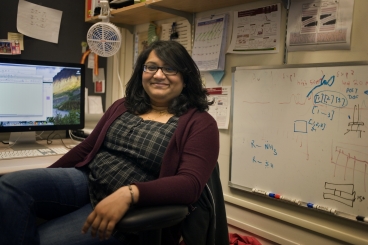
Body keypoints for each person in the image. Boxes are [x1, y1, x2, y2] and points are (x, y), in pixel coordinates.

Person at [0, 40, 228, 245]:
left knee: (42, 239)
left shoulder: (200, 123)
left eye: (170, 68)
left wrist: (129, 193)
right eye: (151, 67)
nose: (159, 75)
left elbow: (189, 185)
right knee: (12, 186)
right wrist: (45, 181)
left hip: (131, 208)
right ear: (142, 72)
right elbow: (87, 148)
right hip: (87, 181)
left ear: (186, 78)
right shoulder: (124, 105)